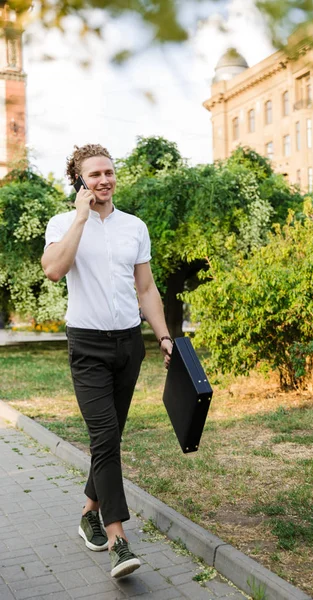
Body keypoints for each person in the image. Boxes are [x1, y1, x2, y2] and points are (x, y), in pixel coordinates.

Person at [41, 143, 173, 579]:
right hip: (87, 346)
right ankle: (118, 540)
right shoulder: (62, 223)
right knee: (104, 435)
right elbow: (54, 270)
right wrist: (80, 217)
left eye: (109, 172)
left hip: (128, 344)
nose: (103, 180)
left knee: (109, 439)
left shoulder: (135, 226)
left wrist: (164, 336)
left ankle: (88, 512)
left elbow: (147, 288)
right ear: (80, 180)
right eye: (94, 174)